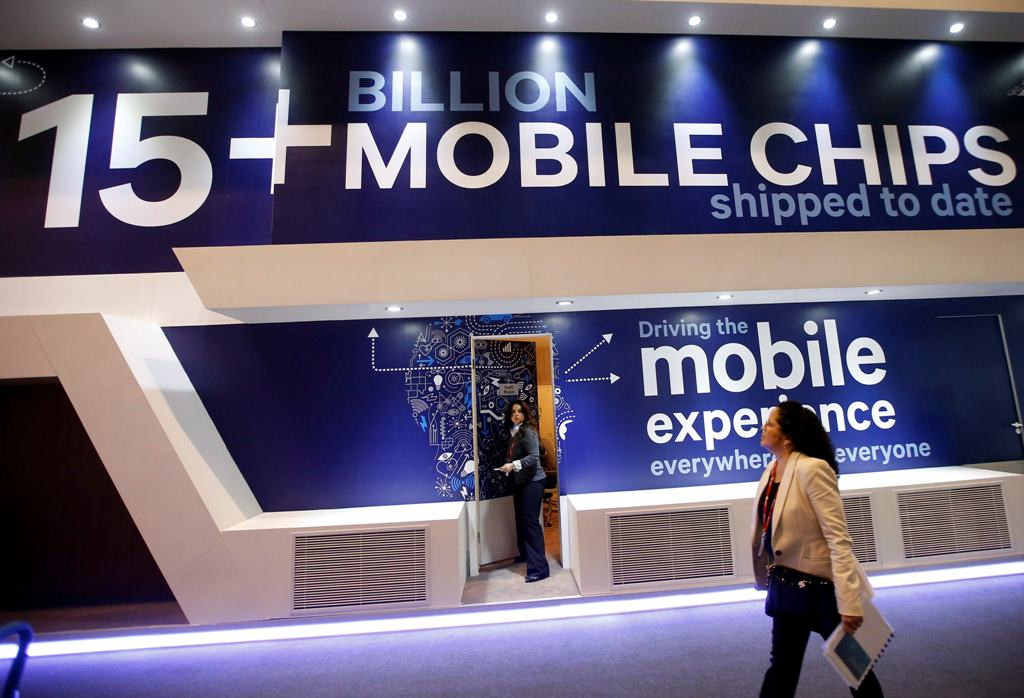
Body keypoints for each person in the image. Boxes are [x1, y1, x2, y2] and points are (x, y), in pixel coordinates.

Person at [752, 400, 883, 698]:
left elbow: (838, 539)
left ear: (787, 437)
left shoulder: (813, 469)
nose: (763, 427)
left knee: (855, 669)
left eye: (770, 423)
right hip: (786, 586)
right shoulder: (772, 469)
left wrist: (849, 603)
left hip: (824, 592)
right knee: (782, 668)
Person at [496, 400, 550, 583]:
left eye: (519, 411)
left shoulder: (527, 431)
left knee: (530, 523)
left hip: (533, 482)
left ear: (525, 415)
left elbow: (534, 457)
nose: (516, 414)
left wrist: (513, 465)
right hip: (521, 482)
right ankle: (526, 554)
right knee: (521, 521)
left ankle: (540, 569)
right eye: (513, 412)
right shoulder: (515, 432)